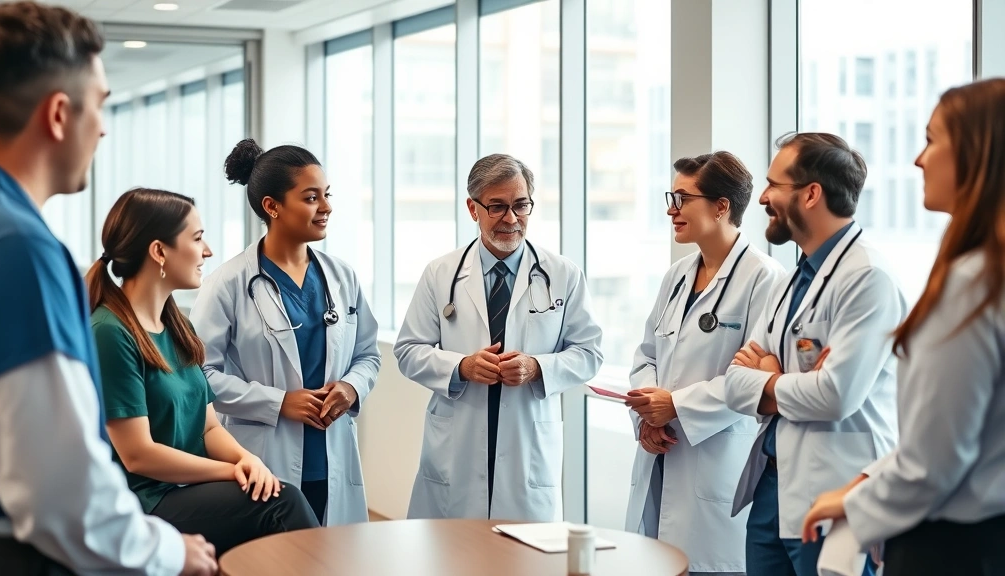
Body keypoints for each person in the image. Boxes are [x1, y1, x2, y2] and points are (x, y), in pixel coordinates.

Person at [0, 3, 215, 574]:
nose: (105, 127)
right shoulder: (19, 249)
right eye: (102, 104)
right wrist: (169, 552)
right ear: (59, 114)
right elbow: (58, 489)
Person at [801, 78, 1005, 575]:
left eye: (933, 140)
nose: (918, 159)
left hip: (950, 548)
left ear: (977, 154)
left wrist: (858, 504)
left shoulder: (972, 284)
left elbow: (934, 461)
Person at [88, 188, 320, 556]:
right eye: (197, 238)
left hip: (184, 491)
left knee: (269, 496)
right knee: (281, 503)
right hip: (144, 501)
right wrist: (231, 472)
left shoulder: (177, 325)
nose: (207, 251)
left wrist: (247, 460)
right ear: (159, 251)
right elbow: (138, 455)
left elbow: (209, 427)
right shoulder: (110, 332)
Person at [723, 133, 907, 576]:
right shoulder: (796, 276)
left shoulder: (867, 278)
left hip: (835, 492)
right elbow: (733, 380)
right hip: (773, 490)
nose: (763, 197)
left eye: (773, 185)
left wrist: (768, 375)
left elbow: (835, 397)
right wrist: (782, 379)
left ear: (811, 194)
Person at [394, 153, 603, 521]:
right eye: (497, 207)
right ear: (472, 209)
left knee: (523, 558)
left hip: (527, 438)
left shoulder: (563, 274)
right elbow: (409, 350)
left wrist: (538, 367)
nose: (511, 219)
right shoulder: (440, 273)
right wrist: (462, 366)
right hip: (458, 435)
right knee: (451, 556)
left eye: (521, 205)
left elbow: (589, 352)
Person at [190, 138, 380, 525]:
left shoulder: (341, 276)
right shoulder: (227, 283)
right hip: (263, 454)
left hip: (331, 455)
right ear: (272, 206)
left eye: (326, 195)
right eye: (311, 197)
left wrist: (351, 387)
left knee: (334, 560)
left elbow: (368, 354)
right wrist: (278, 402)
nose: (326, 207)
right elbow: (200, 377)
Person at [623, 152, 784, 576]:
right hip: (661, 452)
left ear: (721, 205)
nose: (671, 209)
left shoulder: (764, 278)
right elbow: (647, 353)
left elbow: (754, 381)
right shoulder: (677, 274)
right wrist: (648, 415)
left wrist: (675, 405)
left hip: (716, 463)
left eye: (682, 198)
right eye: (670, 197)